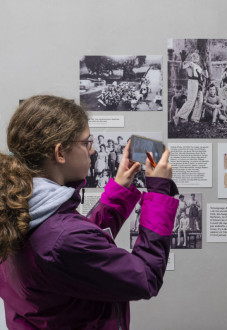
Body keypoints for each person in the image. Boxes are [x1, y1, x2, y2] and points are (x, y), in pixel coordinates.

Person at [0, 95, 179, 330]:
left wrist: (120, 190)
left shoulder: (17, 207)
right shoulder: (62, 240)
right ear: (60, 153)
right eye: (86, 143)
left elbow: (78, 247)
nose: (93, 151)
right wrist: (159, 194)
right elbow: (145, 277)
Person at [173, 51, 204, 125]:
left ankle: (194, 118)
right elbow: (182, 67)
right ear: (191, 58)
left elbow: (202, 76)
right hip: (192, 81)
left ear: (199, 58)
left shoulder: (198, 66)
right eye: (194, 57)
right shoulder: (190, 64)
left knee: (198, 100)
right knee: (190, 100)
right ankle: (179, 116)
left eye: (197, 57)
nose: (195, 58)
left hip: (198, 83)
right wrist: (182, 61)